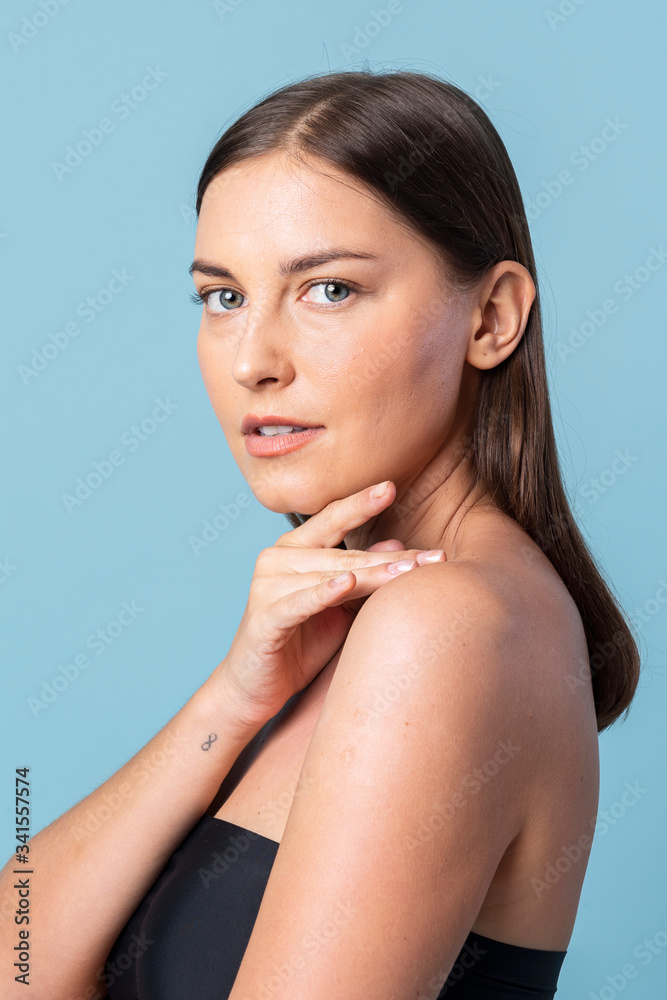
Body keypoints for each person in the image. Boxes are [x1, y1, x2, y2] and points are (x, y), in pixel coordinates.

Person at [0, 69, 640, 1000]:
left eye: (329, 289)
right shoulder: (350, 630)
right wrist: (229, 700)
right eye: (222, 298)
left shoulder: (447, 628)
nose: (254, 360)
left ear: (491, 317)